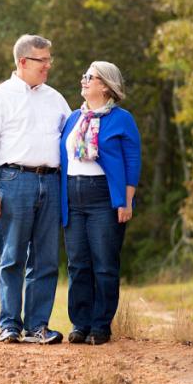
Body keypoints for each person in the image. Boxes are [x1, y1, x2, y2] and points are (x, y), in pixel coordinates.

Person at [0, 34, 71, 344]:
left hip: (51, 181)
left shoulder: (56, 99)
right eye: (42, 60)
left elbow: (71, 142)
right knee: (13, 256)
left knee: (44, 260)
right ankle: (9, 325)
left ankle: (37, 326)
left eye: (49, 60)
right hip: (13, 181)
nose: (48, 66)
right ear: (22, 62)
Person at [59, 61, 141, 345]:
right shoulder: (73, 118)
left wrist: (126, 201)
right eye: (84, 75)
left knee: (104, 264)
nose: (83, 80)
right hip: (72, 195)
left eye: (89, 77)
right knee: (77, 264)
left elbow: (132, 162)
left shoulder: (122, 119)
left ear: (105, 85)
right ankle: (79, 324)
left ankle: (100, 325)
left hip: (104, 197)